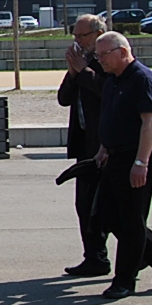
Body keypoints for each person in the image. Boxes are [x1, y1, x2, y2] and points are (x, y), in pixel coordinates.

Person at [93, 31, 152, 299]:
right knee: (105, 216)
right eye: (97, 55)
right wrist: (102, 148)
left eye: (103, 55)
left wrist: (141, 162)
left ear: (122, 52)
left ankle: (124, 281)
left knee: (131, 221)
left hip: (136, 157)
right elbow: (110, 117)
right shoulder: (113, 79)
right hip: (114, 156)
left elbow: (149, 123)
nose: (99, 60)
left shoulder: (141, 78)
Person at [56, 14, 112, 277]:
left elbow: (108, 92)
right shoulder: (82, 62)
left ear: (99, 34)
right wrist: (72, 73)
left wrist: (83, 70)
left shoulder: (108, 60)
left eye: (82, 36)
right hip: (85, 146)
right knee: (85, 206)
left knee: (111, 209)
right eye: (75, 36)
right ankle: (94, 258)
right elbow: (64, 99)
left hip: (107, 146)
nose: (77, 41)